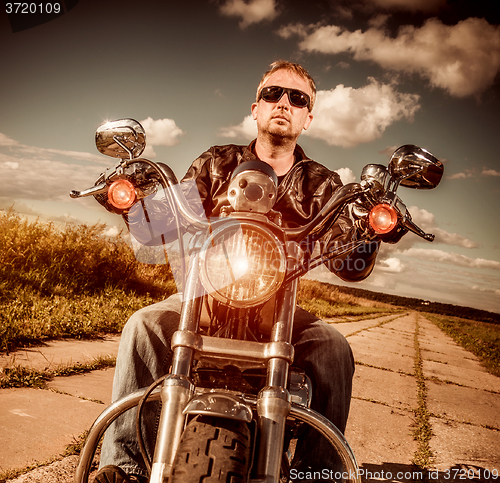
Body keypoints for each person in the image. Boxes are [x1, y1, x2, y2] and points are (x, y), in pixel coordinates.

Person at [94, 60, 386, 483]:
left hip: (280, 314)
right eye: (273, 94)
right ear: (256, 108)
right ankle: (125, 467)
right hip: (204, 298)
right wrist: (132, 199)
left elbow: (348, 261)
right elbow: (161, 227)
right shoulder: (216, 163)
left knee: (334, 348)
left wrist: (367, 226)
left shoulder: (322, 184)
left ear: (308, 117)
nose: (283, 102)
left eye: (297, 98)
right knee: (143, 326)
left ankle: (318, 473)